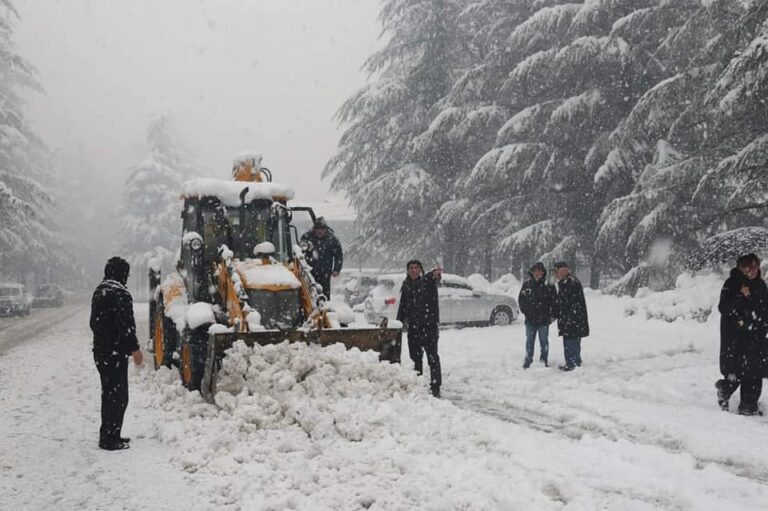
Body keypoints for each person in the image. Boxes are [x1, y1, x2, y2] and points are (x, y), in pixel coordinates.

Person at [90, 257, 143, 450]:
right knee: (118, 396)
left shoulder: (99, 291)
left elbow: (94, 323)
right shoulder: (120, 293)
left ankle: (111, 433)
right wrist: (134, 349)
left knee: (109, 393)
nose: (127, 278)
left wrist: (104, 342)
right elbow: (126, 325)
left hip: (102, 352)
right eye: (126, 274)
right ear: (121, 273)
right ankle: (110, 439)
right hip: (114, 353)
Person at [715, 253, 768, 416]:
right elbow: (723, 307)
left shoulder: (760, 285)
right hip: (736, 336)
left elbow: (764, 308)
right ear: (741, 268)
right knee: (736, 370)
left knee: (754, 371)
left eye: (755, 267)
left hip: (756, 335)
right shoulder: (732, 283)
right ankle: (725, 390)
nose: (752, 271)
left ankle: (748, 405)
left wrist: (763, 325)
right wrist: (740, 295)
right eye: (748, 268)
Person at [396, 260, 442, 397]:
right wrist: (399, 323)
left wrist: (435, 274)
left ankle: (435, 387)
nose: (413, 270)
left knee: (432, 357)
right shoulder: (406, 285)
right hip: (414, 328)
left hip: (429, 327)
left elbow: (432, 278)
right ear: (407, 270)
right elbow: (403, 305)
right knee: (415, 359)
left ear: (421, 270)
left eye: (416, 268)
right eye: (411, 268)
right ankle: (417, 384)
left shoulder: (427, 282)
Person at [518, 261, 556, 368]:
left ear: (543, 273)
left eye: (540, 271)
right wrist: (526, 313)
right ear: (532, 272)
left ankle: (544, 359)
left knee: (544, 341)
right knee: (529, 341)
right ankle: (528, 359)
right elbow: (521, 301)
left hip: (544, 320)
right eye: (536, 271)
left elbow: (554, 301)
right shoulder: (527, 285)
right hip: (530, 320)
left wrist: (552, 315)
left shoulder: (548, 286)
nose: (538, 273)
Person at [553, 261, 589, 371]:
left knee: (570, 341)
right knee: (574, 341)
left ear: (566, 271)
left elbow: (569, 302)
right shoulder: (568, 282)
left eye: (563, 270)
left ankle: (572, 364)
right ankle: (576, 362)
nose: (559, 273)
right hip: (573, 319)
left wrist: (568, 316)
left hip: (572, 319)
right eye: (558, 271)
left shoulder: (570, 282)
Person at [301, 216, 343, 297]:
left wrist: (337, 269)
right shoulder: (307, 238)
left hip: (325, 273)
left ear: (325, 229)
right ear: (314, 229)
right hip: (308, 272)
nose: (320, 231)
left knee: (324, 295)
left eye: (322, 228)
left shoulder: (332, 240)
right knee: (307, 295)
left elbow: (338, 255)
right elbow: (300, 252)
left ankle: (324, 307)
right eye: (318, 228)